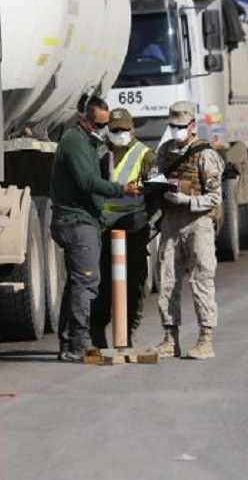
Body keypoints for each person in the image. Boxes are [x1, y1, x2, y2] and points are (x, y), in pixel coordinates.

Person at [50, 96, 139, 362]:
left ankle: (69, 342)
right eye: (99, 124)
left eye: (105, 124)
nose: (103, 129)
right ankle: (80, 344)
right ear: (84, 120)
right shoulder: (76, 142)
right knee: (86, 284)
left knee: (77, 283)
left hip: (82, 220)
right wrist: (121, 189)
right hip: (77, 222)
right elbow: (87, 181)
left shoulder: (88, 142)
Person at [150, 101, 223, 360]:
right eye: (172, 126)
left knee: (201, 279)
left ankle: (206, 339)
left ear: (192, 126)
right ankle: (170, 339)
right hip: (171, 222)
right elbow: (155, 178)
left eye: (181, 126)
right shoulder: (164, 152)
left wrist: (189, 201)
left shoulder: (205, 153)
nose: (176, 131)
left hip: (197, 221)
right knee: (168, 279)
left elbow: (215, 196)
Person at [91, 107, 155, 348]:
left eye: (124, 130)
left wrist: (147, 215)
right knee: (101, 285)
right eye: (114, 130)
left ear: (132, 129)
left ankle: (127, 333)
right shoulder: (98, 152)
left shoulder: (145, 155)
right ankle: (98, 333)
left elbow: (156, 189)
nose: (119, 134)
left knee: (134, 283)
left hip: (134, 230)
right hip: (103, 230)